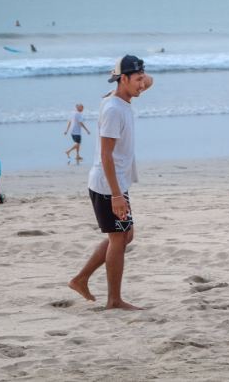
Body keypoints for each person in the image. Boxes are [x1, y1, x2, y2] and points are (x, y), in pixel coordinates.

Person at [68, 55, 153, 310]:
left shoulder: (120, 97)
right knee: (118, 238)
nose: (143, 85)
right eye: (137, 80)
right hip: (108, 184)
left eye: (142, 79)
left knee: (125, 234)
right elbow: (106, 154)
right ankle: (113, 300)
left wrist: (140, 76)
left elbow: (149, 80)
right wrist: (116, 195)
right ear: (123, 79)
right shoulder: (114, 109)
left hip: (117, 182)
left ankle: (81, 278)